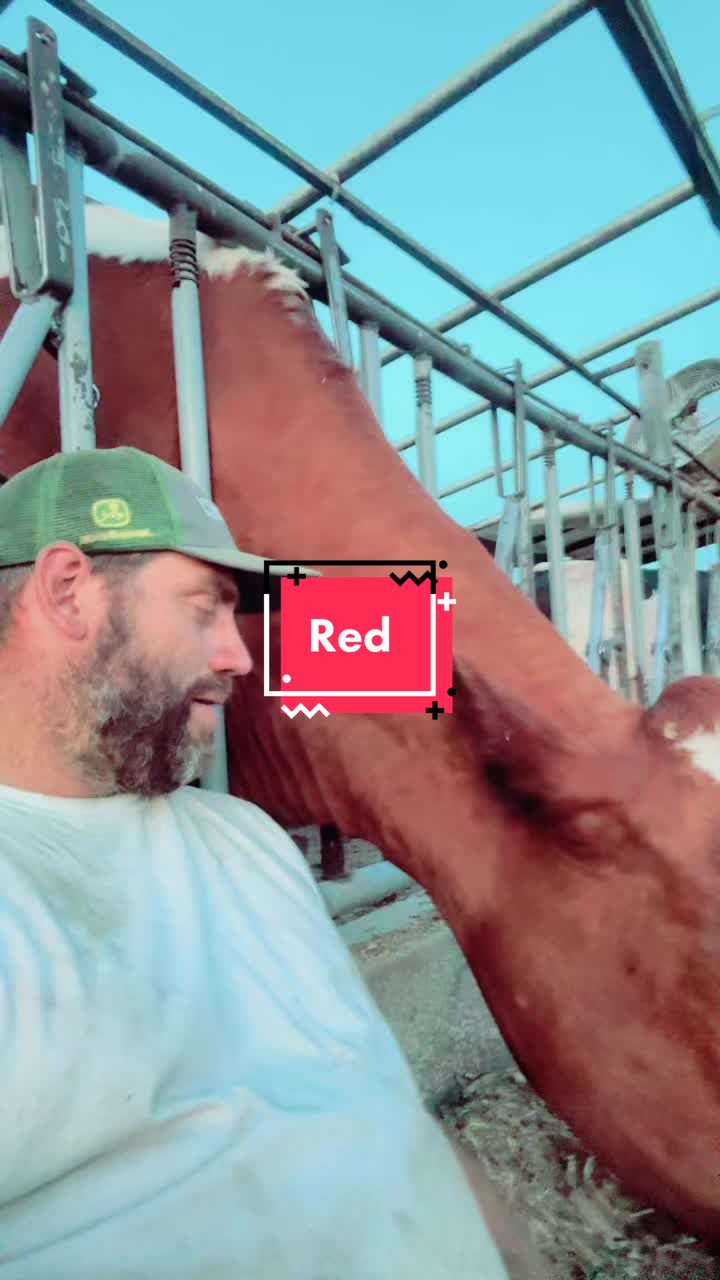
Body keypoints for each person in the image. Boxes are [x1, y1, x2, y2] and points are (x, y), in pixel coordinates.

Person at [0, 445, 517, 1279]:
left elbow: (381, 1101)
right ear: (67, 591)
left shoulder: (246, 839)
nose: (238, 656)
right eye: (203, 608)